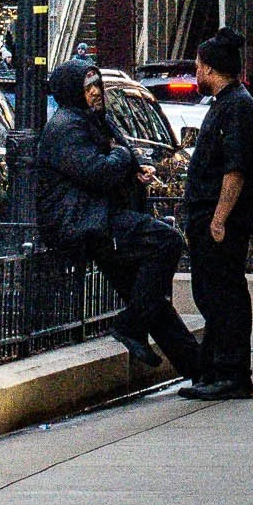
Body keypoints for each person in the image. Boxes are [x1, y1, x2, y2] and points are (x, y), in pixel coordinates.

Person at [36, 59, 200, 379]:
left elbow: (110, 167)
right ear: (73, 91)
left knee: (150, 302)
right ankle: (130, 326)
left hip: (102, 220)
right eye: (89, 87)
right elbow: (99, 172)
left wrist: (132, 171)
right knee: (167, 241)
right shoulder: (66, 126)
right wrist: (125, 158)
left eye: (98, 85)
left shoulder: (93, 120)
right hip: (88, 226)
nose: (96, 92)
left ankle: (197, 368)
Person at [178, 25, 253, 402]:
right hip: (210, 220)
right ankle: (214, 370)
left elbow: (235, 170)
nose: (196, 73)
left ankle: (231, 373)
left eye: (198, 66)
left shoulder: (238, 108)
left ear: (211, 69)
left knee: (223, 295)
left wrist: (218, 219)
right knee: (211, 294)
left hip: (221, 224)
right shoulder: (227, 105)